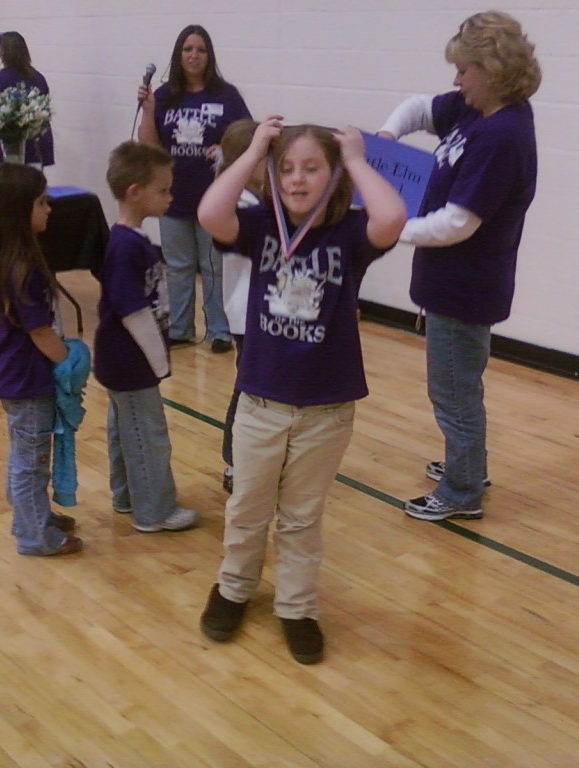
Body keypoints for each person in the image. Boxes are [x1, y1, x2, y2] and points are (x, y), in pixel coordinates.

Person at [196, 118, 407, 664]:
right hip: (261, 401)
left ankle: (297, 606)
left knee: (301, 517)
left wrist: (357, 159)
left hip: (326, 410)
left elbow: (393, 216)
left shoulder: (348, 235)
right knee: (247, 508)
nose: (297, 179)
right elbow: (208, 213)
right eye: (286, 168)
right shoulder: (261, 225)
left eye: (312, 168)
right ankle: (233, 587)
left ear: (332, 175)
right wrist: (254, 152)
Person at [378, 11, 541, 522]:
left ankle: (461, 491)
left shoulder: (501, 135)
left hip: (465, 288)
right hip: (450, 283)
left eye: (464, 69)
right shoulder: (477, 111)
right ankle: (467, 467)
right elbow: (419, 109)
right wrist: (386, 137)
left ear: (490, 70)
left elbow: (458, 223)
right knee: (459, 385)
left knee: (451, 390)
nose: (456, 79)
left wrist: (390, 228)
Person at [0, 163, 84, 557]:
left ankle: (33, 515)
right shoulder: (22, 270)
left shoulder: (13, 259)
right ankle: (34, 533)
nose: (49, 209)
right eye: (41, 203)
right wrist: (69, 363)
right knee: (32, 459)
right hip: (27, 382)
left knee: (29, 454)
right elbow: (40, 333)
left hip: (21, 379)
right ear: (19, 212)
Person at [93, 141, 200, 534]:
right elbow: (131, 311)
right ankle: (154, 510)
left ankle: (127, 495)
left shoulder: (134, 241)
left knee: (125, 427)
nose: (170, 197)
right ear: (135, 192)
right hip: (130, 361)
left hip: (125, 361)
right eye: (164, 190)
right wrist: (159, 361)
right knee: (147, 433)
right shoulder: (124, 246)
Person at [137, 24, 252, 353]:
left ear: (209, 55)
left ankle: (219, 330)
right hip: (171, 197)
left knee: (214, 264)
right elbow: (149, 146)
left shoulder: (226, 95)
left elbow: (246, 137)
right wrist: (147, 110)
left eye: (200, 49)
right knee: (178, 265)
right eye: (188, 49)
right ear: (178, 55)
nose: (194, 55)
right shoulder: (163, 96)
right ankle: (181, 328)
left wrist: (225, 150)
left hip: (214, 197)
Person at [215, 119, 262, 494]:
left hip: (265, 310)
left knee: (261, 387)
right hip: (246, 311)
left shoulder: (261, 197)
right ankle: (234, 461)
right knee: (247, 387)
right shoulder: (239, 202)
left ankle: (258, 456)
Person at [0, 31, 55, 167]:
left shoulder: (1, 79)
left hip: (11, 145)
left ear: (8, 52)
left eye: (1, 49)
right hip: (36, 144)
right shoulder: (38, 77)